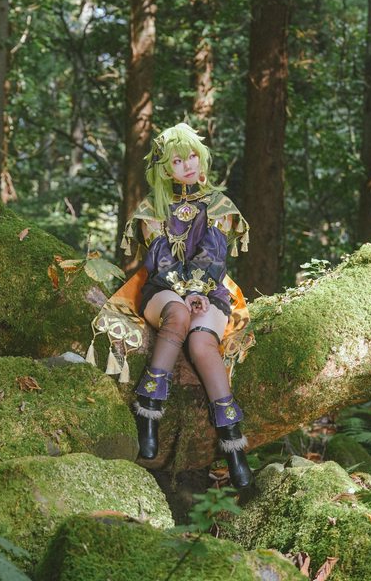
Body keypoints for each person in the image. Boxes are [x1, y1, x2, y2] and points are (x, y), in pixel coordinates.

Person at [89, 122, 254, 490]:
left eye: (192, 156)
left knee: (201, 343)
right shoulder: (153, 208)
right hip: (161, 288)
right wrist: (184, 293)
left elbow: (214, 255)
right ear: (165, 169)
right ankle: (148, 411)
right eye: (178, 160)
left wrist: (197, 290)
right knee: (177, 314)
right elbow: (159, 260)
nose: (188, 165)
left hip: (211, 289)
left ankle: (233, 444)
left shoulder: (219, 205)